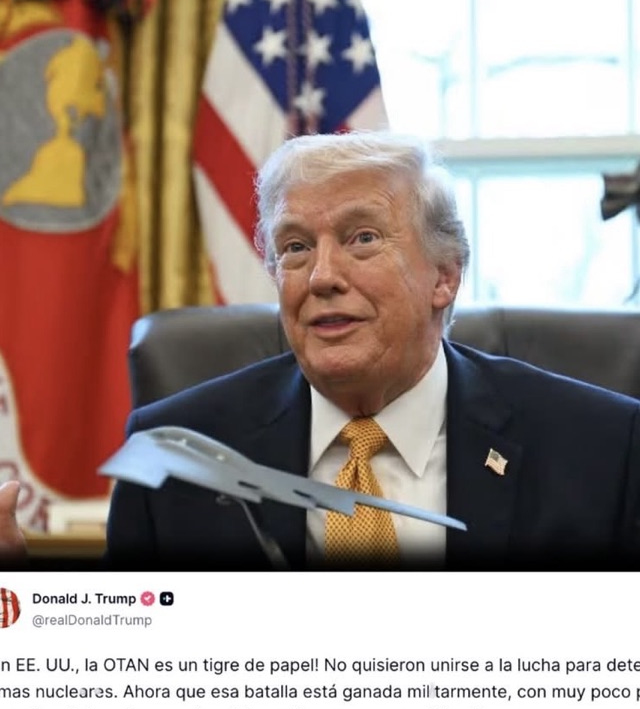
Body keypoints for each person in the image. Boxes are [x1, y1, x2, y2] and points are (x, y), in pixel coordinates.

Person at [2, 131, 639, 567]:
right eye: (296, 247)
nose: (321, 276)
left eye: (362, 239)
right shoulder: (176, 453)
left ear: (444, 277)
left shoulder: (600, 448)